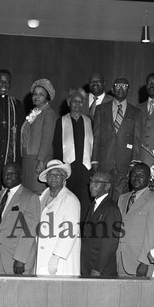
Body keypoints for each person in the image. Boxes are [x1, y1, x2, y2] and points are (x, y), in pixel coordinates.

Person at [92, 77, 141, 200]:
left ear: (128, 90)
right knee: (102, 197)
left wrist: (134, 162)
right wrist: (94, 160)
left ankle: (117, 220)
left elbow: (137, 139)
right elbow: (96, 136)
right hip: (104, 161)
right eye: (118, 85)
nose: (121, 88)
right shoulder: (101, 109)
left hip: (124, 163)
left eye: (124, 86)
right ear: (113, 89)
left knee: (120, 199)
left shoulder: (136, 112)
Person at [0, 162, 40, 275]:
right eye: (5, 173)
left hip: (16, 261)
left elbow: (28, 231)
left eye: (12, 173)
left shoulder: (30, 197)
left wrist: (20, 259)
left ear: (20, 176)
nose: (8, 176)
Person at [116, 162, 154, 277]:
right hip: (121, 259)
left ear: (149, 178)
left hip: (139, 262)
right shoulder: (122, 198)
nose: (136, 177)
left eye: (141, 175)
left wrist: (145, 262)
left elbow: (152, 234)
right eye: (134, 174)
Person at [53, 87, 93, 221]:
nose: (77, 104)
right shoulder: (61, 122)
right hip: (68, 167)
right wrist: (59, 167)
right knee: (68, 198)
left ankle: (83, 227)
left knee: (85, 200)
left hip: (85, 167)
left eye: (80, 101)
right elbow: (57, 146)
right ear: (69, 102)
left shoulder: (89, 122)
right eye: (74, 101)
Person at [36, 160, 81, 276]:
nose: (54, 177)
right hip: (42, 256)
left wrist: (56, 257)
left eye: (58, 174)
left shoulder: (70, 199)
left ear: (64, 178)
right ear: (46, 178)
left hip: (60, 260)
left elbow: (70, 232)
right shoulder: (41, 198)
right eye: (51, 174)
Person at [81, 171, 121, 277]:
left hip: (101, 270)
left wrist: (98, 268)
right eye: (91, 181)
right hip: (87, 266)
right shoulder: (92, 205)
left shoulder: (111, 208)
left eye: (97, 182)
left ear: (107, 186)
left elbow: (110, 243)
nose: (92, 185)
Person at [21, 78, 58, 194]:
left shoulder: (49, 113)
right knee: (28, 193)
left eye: (41, 95)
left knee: (37, 192)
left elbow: (47, 139)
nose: (36, 97)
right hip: (29, 158)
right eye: (35, 94)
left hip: (39, 158)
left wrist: (41, 161)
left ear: (47, 97)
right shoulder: (35, 112)